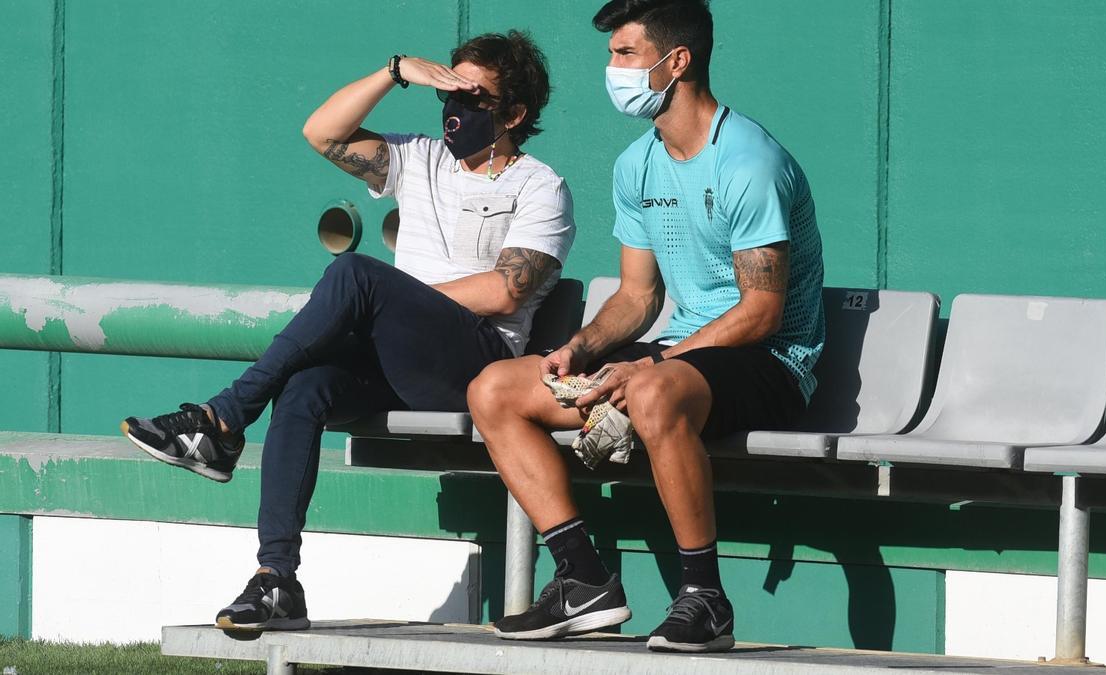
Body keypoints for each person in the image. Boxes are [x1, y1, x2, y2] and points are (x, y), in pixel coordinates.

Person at [120, 31, 575, 631]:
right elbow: (322, 134)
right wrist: (395, 71)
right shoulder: (419, 158)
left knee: (357, 274)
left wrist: (387, 301)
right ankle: (275, 578)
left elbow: (506, 289)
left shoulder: (540, 185)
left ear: (513, 113)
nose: (454, 108)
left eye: (474, 97)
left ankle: (223, 420)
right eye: (448, 91)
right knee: (305, 385)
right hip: (398, 360)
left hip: (478, 366)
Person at [468, 0, 824, 653]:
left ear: (677, 61)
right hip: (682, 351)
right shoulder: (637, 164)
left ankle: (705, 598)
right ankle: (583, 579)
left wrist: (652, 365)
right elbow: (637, 296)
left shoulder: (750, 161)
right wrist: (580, 348)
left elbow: (761, 311)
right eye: (613, 56)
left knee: (653, 391)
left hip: (771, 361)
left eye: (625, 54)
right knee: (495, 388)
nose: (613, 69)